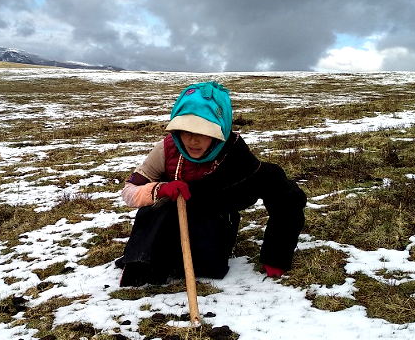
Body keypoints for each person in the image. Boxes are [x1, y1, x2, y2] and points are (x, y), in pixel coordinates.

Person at [116, 81, 306, 287]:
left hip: (211, 232)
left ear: (220, 131)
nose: (193, 141)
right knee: (163, 206)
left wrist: (276, 256)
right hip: (164, 228)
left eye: (203, 132)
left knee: (205, 260)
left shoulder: (240, 161)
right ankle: (144, 263)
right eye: (186, 130)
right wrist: (159, 189)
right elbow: (129, 191)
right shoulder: (166, 150)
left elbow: (288, 199)